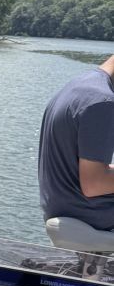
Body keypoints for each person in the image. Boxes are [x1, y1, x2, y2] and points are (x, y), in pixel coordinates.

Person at [38, 54, 114, 231]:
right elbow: (94, 184)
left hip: (62, 205)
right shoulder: (103, 103)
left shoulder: (79, 86)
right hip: (87, 213)